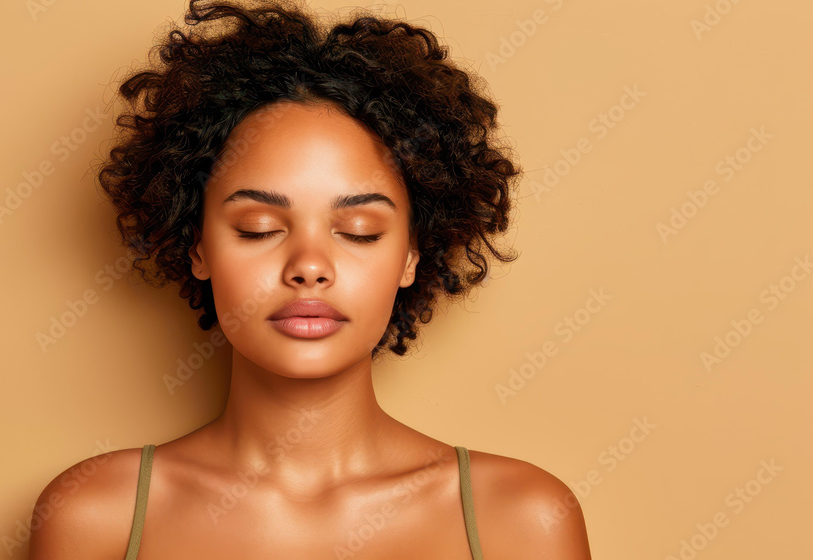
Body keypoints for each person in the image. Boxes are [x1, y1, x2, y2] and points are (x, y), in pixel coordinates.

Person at [30, 1, 592, 558]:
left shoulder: (520, 521)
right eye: (258, 228)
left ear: (411, 257)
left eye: (360, 230)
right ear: (197, 246)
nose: (309, 265)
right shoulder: (97, 515)